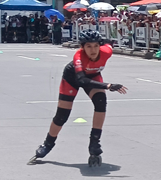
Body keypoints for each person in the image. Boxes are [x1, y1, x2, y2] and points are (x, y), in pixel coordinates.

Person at [29, 30, 128, 166]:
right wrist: (108, 85)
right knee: (62, 115)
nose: (93, 50)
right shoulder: (78, 56)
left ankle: (94, 142)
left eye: (95, 46)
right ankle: (48, 144)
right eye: (88, 46)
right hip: (73, 77)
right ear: (82, 47)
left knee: (101, 103)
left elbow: (109, 42)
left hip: (93, 77)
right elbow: (82, 81)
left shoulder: (107, 51)